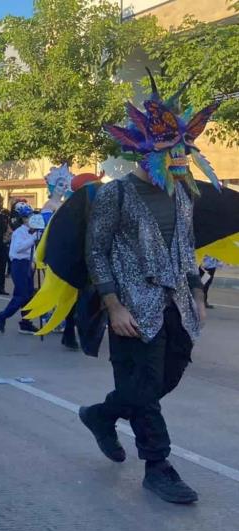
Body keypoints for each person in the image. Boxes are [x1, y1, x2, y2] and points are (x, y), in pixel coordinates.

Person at [77, 74, 224, 504]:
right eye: (170, 149)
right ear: (145, 149)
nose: (179, 156)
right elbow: (97, 252)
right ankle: (159, 466)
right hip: (133, 306)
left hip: (176, 301)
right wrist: (113, 304)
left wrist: (196, 293)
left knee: (168, 376)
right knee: (142, 386)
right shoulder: (116, 195)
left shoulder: (181, 192)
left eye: (183, 148)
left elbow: (186, 245)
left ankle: (102, 415)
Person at [0, 203, 40, 335]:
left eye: (31, 216)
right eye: (27, 217)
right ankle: (1, 317)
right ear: (22, 219)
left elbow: (33, 250)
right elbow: (19, 248)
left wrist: (35, 261)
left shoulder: (33, 231)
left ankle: (26, 322)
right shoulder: (19, 232)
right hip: (19, 264)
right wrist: (33, 239)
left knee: (29, 295)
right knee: (21, 295)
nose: (30, 219)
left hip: (28, 264)